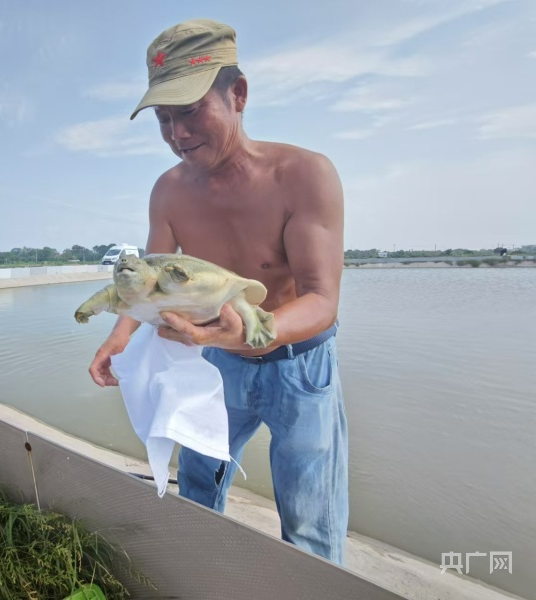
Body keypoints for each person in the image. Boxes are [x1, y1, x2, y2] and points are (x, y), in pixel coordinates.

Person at [87, 19, 348, 565]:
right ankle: (202, 573)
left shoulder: (304, 176)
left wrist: (255, 330)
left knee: (309, 520)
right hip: (216, 363)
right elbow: (149, 284)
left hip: (299, 365)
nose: (177, 134)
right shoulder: (169, 192)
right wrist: (118, 336)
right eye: (164, 119)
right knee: (200, 486)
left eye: (189, 111)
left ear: (239, 94)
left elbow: (323, 300)